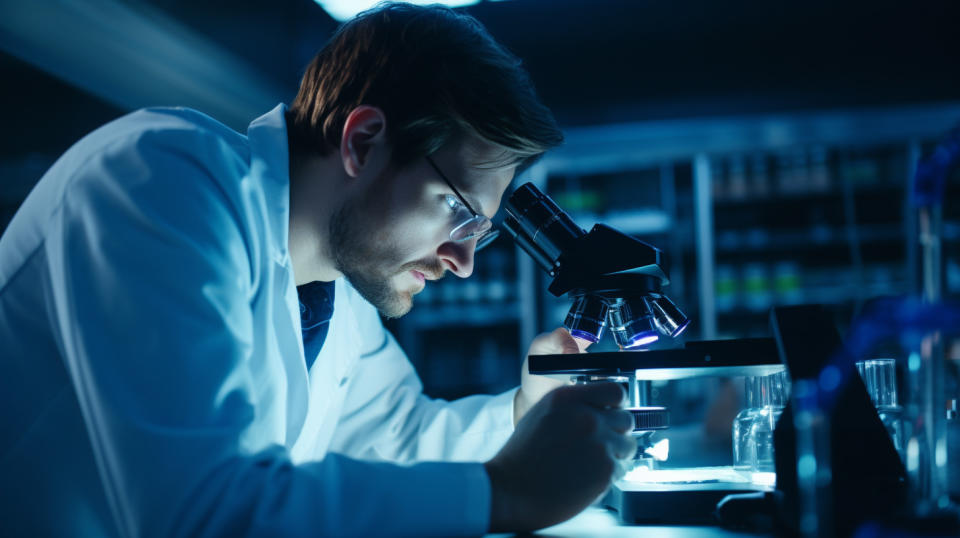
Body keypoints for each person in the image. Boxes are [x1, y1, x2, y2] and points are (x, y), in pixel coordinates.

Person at [0, 3, 636, 536]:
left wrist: (527, 412)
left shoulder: (338, 294)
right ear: (362, 142)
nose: (463, 263)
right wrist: (505, 492)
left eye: (478, 231)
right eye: (456, 210)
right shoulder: (161, 180)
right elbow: (201, 511)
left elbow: (400, 443)